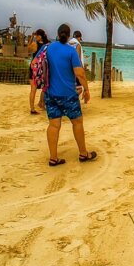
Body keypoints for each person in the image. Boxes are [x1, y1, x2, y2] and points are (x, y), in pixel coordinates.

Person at [42, 24, 96, 166]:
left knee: (54, 125)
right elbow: (80, 73)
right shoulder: (71, 51)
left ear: (58, 34)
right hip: (68, 94)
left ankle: (53, 158)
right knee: (77, 122)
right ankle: (83, 153)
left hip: (51, 93)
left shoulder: (49, 48)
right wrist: (86, 89)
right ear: (69, 35)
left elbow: (37, 62)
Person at [28, 29, 49, 114]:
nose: (36, 37)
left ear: (39, 36)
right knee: (45, 87)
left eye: (36, 35)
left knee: (33, 89)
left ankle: (32, 109)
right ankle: (42, 104)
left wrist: (31, 37)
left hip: (34, 68)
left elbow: (28, 49)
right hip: (43, 68)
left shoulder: (35, 44)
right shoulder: (47, 45)